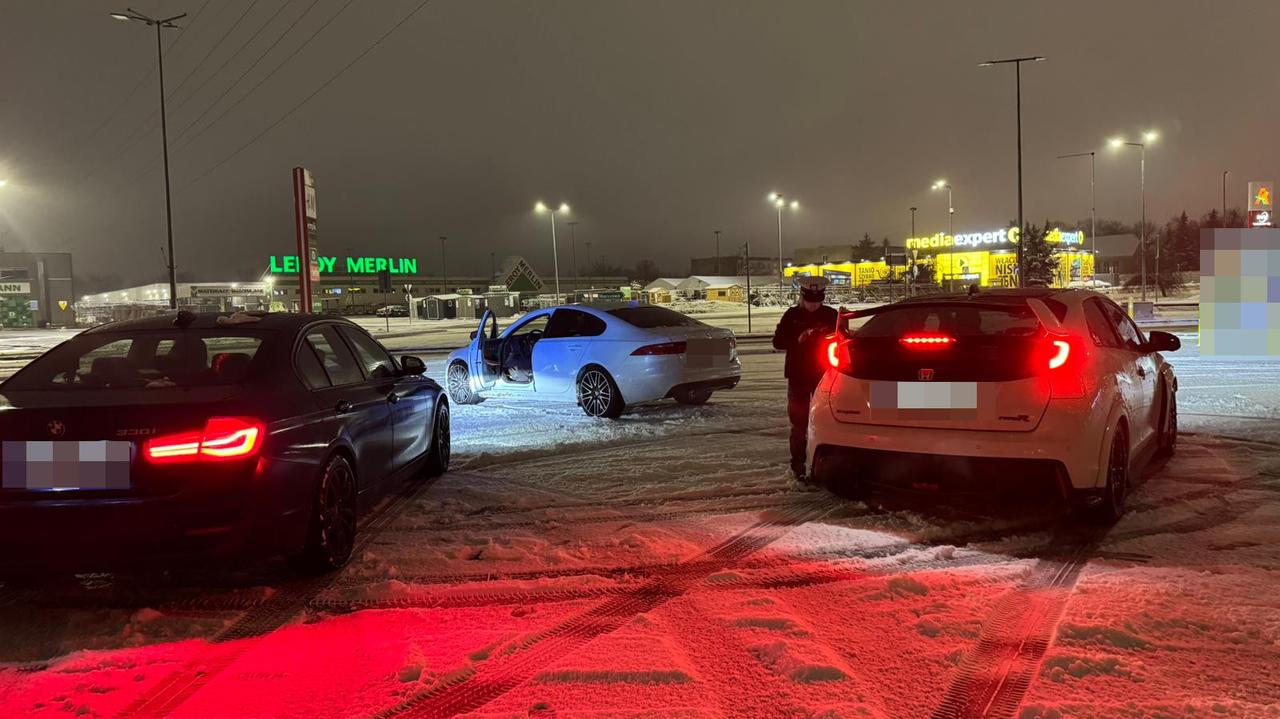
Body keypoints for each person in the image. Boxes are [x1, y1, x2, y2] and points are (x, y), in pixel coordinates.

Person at [772, 276, 838, 480]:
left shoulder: (830, 315)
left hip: (823, 377)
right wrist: (798, 339)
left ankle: (827, 465)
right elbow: (778, 342)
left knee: (827, 422)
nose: (813, 305)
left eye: (817, 301)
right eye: (809, 301)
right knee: (799, 425)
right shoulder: (792, 315)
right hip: (798, 377)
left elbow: (842, 339)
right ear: (802, 297)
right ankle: (798, 465)